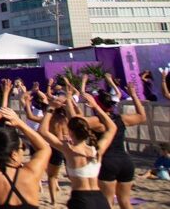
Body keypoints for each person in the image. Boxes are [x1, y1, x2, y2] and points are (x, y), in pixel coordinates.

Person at [39, 89, 118, 209]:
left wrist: (50, 108)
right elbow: (112, 128)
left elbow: (43, 131)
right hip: (99, 198)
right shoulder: (96, 150)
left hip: (81, 198)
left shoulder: (69, 150)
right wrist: (96, 107)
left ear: (70, 131)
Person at [89, 79, 147, 209]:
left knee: (108, 202)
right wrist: (133, 95)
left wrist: (70, 101)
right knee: (125, 202)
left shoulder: (96, 122)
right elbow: (142, 116)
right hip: (126, 161)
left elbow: (75, 121)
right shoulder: (122, 119)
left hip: (108, 162)